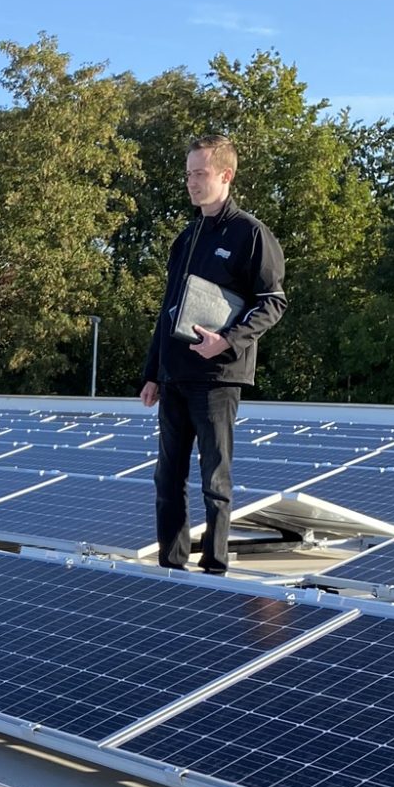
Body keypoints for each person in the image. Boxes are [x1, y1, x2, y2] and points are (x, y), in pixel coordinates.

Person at [139, 134, 286, 573]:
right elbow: (168, 310)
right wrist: (152, 372)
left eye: (200, 173)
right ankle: (171, 565)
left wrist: (228, 339)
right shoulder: (186, 238)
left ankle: (216, 568)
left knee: (214, 480)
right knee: (167, 477)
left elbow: (273, 301)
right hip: (175, 376)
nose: (191, 182)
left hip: (219, 376)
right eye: (188, 174)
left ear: (226, 175)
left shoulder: (250, 234)